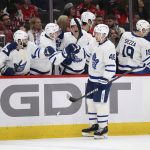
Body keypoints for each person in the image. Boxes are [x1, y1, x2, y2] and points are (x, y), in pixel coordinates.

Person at [82, 24, 116, 139]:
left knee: (100, 103)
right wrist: (77, 50)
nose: (95, 35)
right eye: (95, 33)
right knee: (90, 102)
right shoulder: (94, 42)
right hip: (92, 79)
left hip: (102, 81)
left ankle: (103, 128)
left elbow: (111, 66)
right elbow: (85, 51)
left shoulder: (109, 46)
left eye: (98, 34)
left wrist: (105, 79)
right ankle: (94, 125)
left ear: (105, 35)